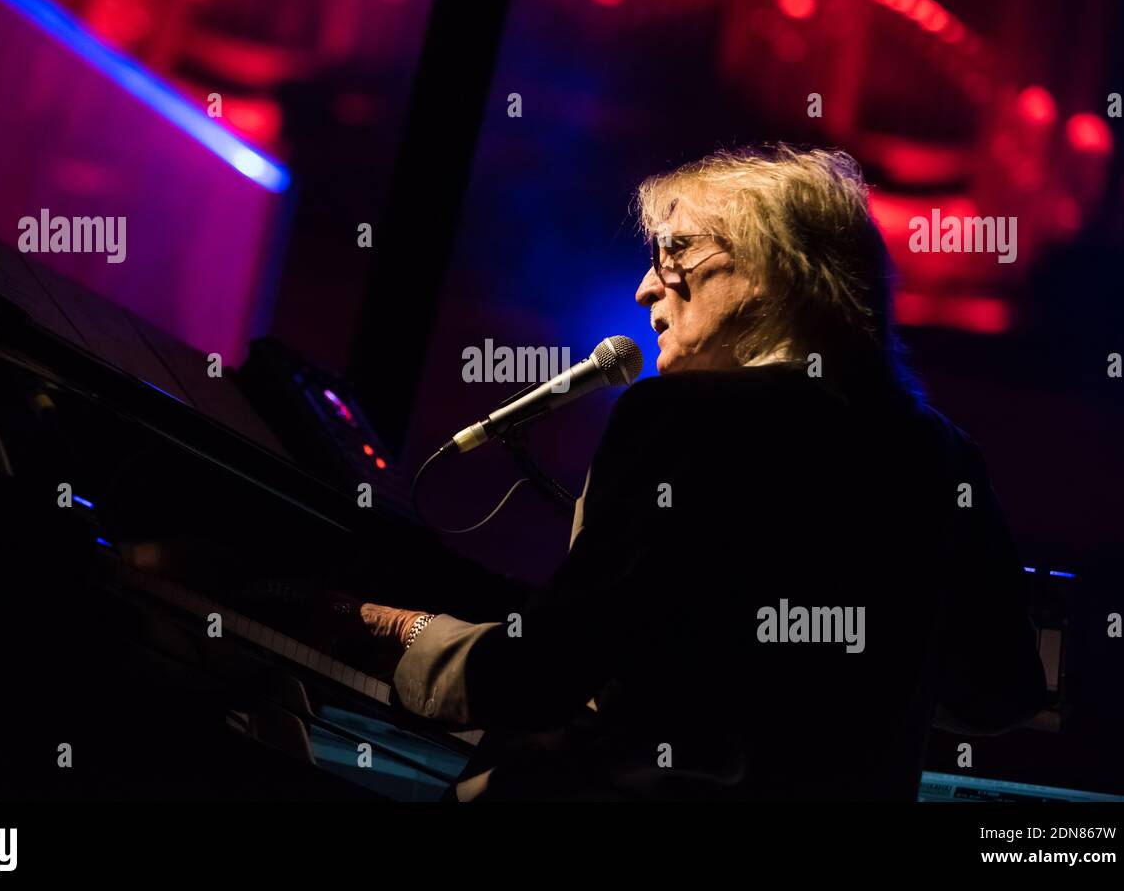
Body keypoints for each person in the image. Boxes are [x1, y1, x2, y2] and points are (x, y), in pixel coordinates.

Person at [344, 145, 1047, 800]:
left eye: (674, 250)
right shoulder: (944, 453)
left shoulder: (680, 417)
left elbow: (545, 674)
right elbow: (1002, 692)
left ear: (775, 268)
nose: (648, 286)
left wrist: (407, 632)